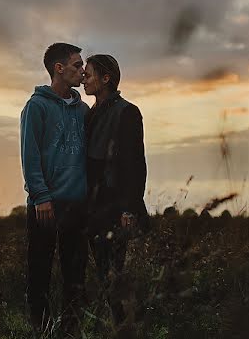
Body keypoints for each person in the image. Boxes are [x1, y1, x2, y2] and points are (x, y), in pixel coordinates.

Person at [20, 42, 89, 334]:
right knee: (40, 273)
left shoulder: (84, 109)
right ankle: (43, 330)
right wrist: (41, 196)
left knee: (75, 275)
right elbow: (30, 155)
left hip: (78, 205)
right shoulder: (36, 106)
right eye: (76, 65)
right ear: (58, 69)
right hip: (46, 205)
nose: (82, 71)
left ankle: (70, 331)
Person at [81, 54, 149, 330]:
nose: (84, 78)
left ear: (106, 78)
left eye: (89, 74)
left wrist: (128, 208)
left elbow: (135, 163)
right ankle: (117, 324)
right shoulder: (90, 113)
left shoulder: (127, 111)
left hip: (115, 206)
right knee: (102, 271)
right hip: (92, 206)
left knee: (115, 271)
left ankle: (125, 326)